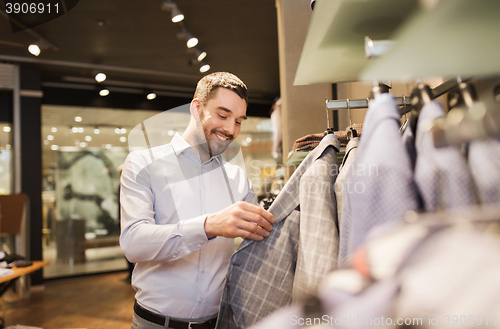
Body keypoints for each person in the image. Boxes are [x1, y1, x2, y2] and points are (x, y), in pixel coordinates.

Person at [120, 72, 275, 329]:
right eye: (223, 115)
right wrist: (209, 226)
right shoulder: (143, 164)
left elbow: (254, 251)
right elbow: (133, 243)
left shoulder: (238, 179)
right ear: (196, 107)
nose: (230, 129)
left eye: (238, 121)